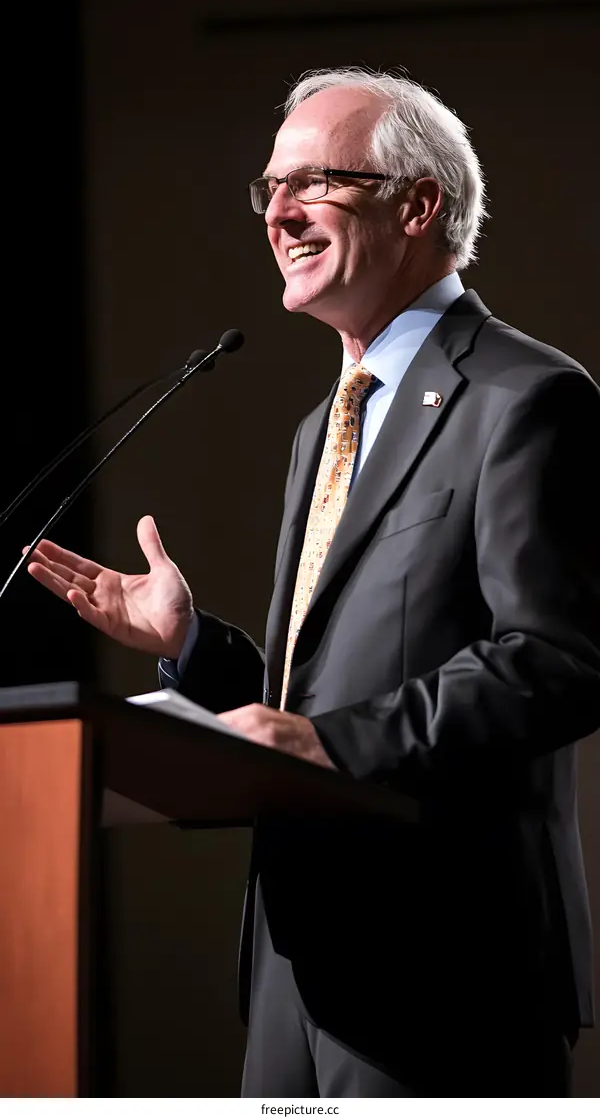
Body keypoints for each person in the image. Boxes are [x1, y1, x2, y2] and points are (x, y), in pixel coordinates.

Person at [27, 68, 600, 1098]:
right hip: (297, 971)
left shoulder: (527, 399)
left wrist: (335, 742)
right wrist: (195, 646)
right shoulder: (321, 427)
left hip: (446, 970)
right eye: (268, 189)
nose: (278, 213)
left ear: (418, 203)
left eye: (313, 182)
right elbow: (317, 698)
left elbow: (559, 659)